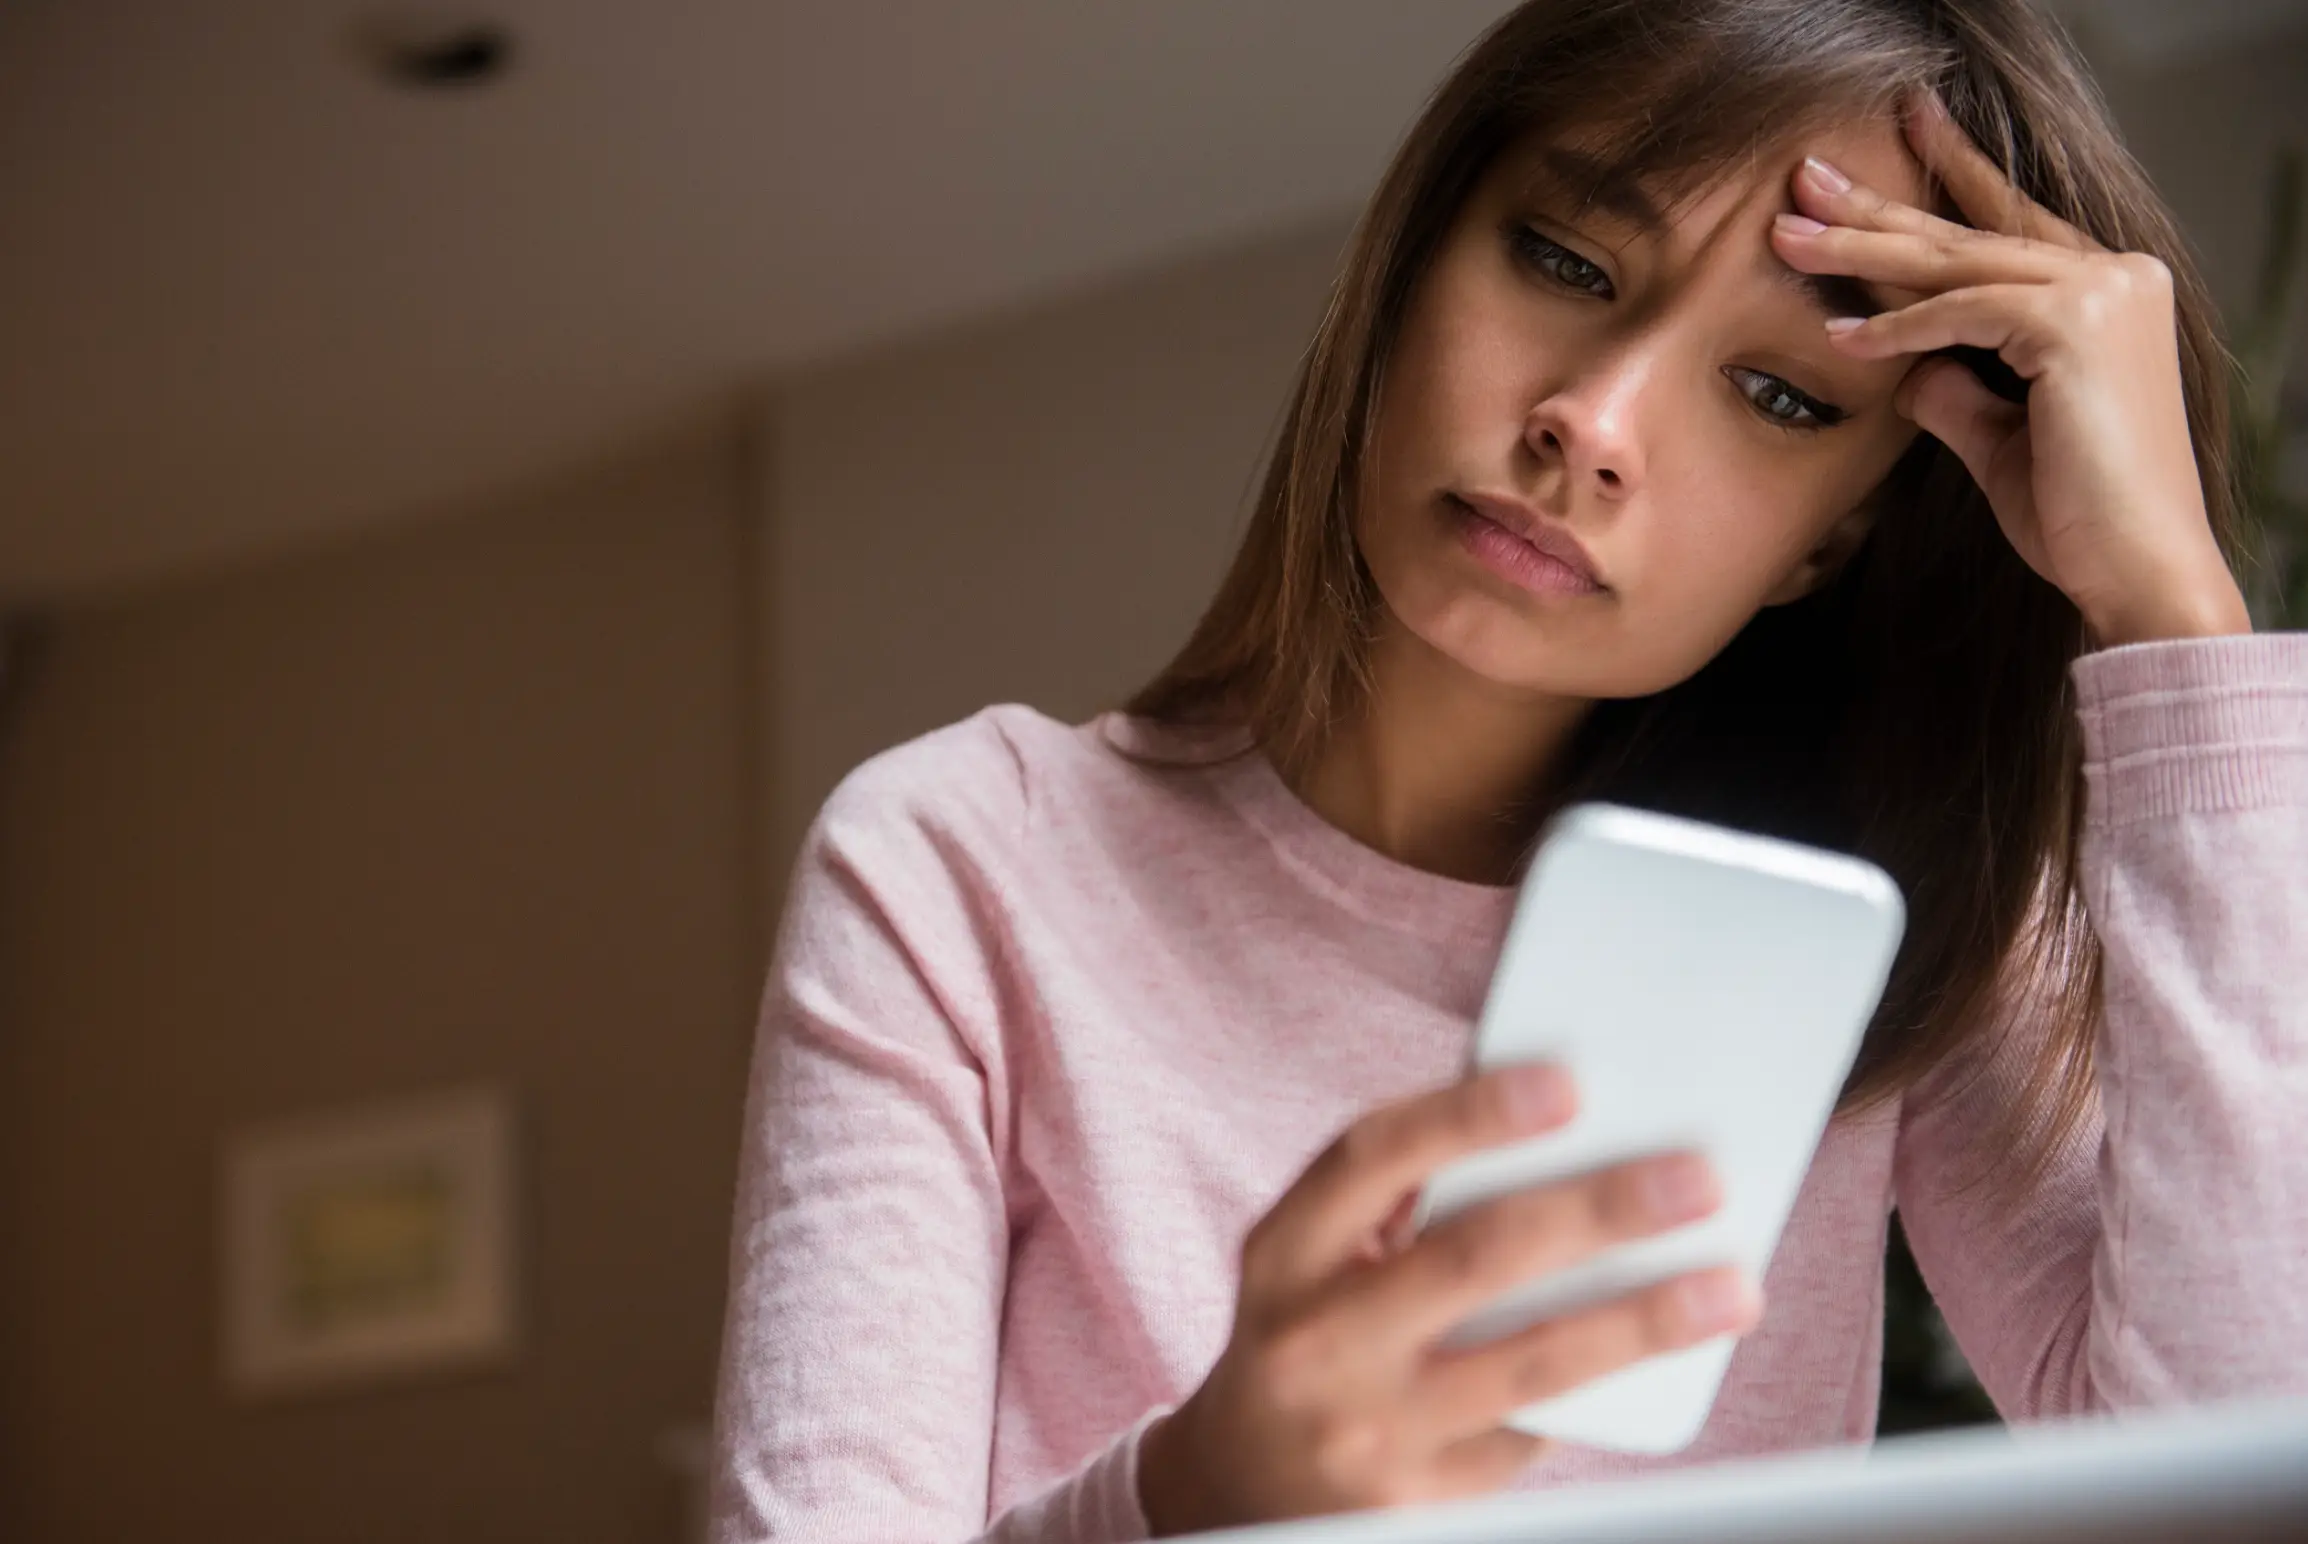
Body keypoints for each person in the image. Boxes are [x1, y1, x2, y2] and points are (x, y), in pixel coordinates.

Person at [708, 2, 2308, 1539]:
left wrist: (2172, 613)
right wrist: (1190, 1499)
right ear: (1411, 260)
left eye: (1777, 395)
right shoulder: (961, 866)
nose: (1592, 424)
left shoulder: (1896, 924)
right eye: (1568, 261)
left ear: (1828, 544)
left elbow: (2225, 1493)